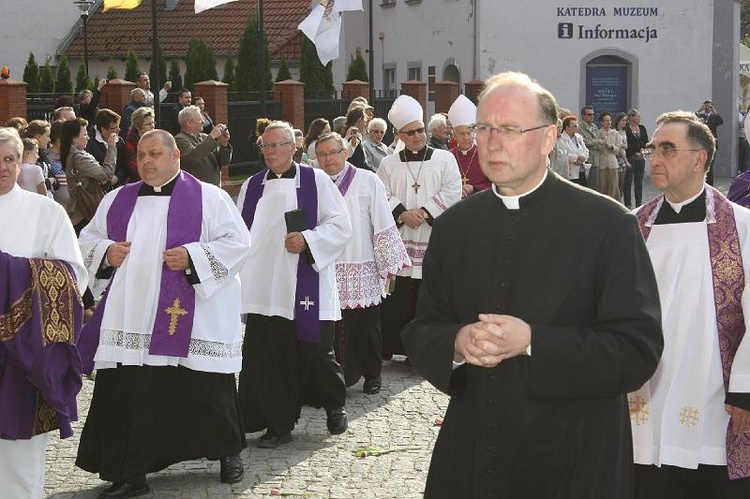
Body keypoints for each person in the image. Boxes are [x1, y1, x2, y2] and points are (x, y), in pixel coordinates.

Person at [400, 71, 663, 498]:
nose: (492, 142)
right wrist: (456, 341)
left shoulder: (608, 225)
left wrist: (532, 342)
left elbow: (637, 350)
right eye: (484, 129)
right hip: (476, 452)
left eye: (509, 129)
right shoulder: (455, 227)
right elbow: (422, 328)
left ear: (548, 138)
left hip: (575, 456)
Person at [75, 129, 251, 496]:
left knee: (205, 385)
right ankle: (131, 472)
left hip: (192, 314)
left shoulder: (210, 198)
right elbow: (86, 239)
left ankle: (227, 451)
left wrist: (193, 257)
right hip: (132, 314)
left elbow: (238, 244)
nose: (147, 162)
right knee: (132, 392)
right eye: (141, 155)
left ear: (176, 157)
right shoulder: (117, 199)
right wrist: (106, 251)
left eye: (155, 154)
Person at [630, 111, 750, 498]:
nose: (655, 159)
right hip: (643, 388)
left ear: (700, 159)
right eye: (653, 149)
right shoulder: (632, 226)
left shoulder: (742, 227)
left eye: (668, 149)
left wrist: (745, 391)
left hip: (715, 394)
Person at [236, 121, 352, 448]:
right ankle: (277, 424)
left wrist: (308, 239)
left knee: (315, 351)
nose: (270, 152)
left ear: (293, 147)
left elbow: (341, 226)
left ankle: (334, 402)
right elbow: (238, 233)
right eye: (265, 146)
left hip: (304, 284)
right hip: (264, 288)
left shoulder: (316, 181)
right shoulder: (252, 186)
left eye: (276, 145)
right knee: (269, 357)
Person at [0, 126, 86, 499]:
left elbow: (72, 275)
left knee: (18, 454)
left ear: (21, 163)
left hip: (24, 351)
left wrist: (9, 273)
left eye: (9, 159)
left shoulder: (46, 212)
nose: (2, 167)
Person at [315, 132, 411, 394]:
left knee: (366, 325)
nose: (328, 159)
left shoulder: (367, 180)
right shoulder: (314, 181)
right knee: (330, 326)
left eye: (333, 152)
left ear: (345, 152)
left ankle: (372, 374)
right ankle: (336, 376)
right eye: (322, 154)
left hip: (361, 261)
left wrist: (388, 263)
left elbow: (381, 219)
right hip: (326, 264)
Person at [376, 94, 462, 358]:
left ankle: (425, 350)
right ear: (400, 135)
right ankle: (397, 347)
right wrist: (402, 213)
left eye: (420, 130)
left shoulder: (444, 159)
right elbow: (380, 194)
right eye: (411, 132)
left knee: (428, 293)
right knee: (401, 295)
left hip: (431, 235)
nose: (417, 136)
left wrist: (424, 213)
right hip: (402, 235)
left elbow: (452, 190)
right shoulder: (388, 164)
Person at [61, 117, 117, 234]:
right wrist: (111, 147)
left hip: (79, 209)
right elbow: (106, 174)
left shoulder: (70, 154)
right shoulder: (80, 157)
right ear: (74, 139)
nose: (88, 137)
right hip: (85, 209)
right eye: (85, 134)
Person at [175, 105, 232, 186]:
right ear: (189, 123)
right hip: (195, 190)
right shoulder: (179, 140)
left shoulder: (205, 137)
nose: (203, 122)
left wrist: (224, 143)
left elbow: (224, 162)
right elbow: (193, 156)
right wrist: (212, 136)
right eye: (200, 119)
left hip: (214, 189)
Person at [447, 94, 491, 198]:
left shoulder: (485, 154)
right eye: (462, 134)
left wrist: (474, 188)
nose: (466, 137)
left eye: (469, 132)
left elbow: (495, 184)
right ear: (454, 135)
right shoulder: (448, 156)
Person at [86, 108, 129, 191]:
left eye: (118, 126)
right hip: (96, 191)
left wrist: (117, 178)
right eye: (114, 128)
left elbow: (125, 166)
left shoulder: (119, 141)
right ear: (103, 129)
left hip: (116, 188)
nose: (118, 130)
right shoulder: (89, 142)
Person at [624, 108, 649, 208]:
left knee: (639, 182)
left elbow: (646, 142)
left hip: (640, 159)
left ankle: (639, 204)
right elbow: (626, 144)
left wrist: (644, 154)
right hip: (630, 158)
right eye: (637, 116)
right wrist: (635, 152)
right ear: (631, 117)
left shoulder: (642, 128)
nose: (639, 118)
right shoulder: (626, 129)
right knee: (628, 182)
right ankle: (628, 203)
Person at [123, 106, 156, 183]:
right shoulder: (130, 143)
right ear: (138, 127)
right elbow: (135, 169)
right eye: (148, 124)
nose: (152, 126)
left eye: (153, 123)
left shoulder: (156, 139)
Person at [596, 111, 622, 201]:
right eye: (606, 120)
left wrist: (611, 146)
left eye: (610, 120)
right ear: (602, 122)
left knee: (614, 185)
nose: (608, 122)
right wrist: (601, 143)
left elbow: (618, 148)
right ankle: (602, 204)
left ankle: (614, 204)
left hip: (612, 163)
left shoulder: (615, 133)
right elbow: (596, 146)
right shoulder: (598, 132)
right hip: (602, 163)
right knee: (602, 185)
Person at [696, 100, 724, 186]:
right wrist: (699, 110)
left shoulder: (714, 116)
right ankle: (702, 183)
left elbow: (721, 121)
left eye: (709, 106)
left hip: (712, 142)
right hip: (702, 143)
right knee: (702, 163)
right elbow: (692, 118)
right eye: (706, 106)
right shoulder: (701, 116)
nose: (707, 108)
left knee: (710, 165)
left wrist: (714, 110)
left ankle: (710, 184)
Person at [561, 114, 589, 186]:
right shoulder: (562, 139)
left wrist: (582, 158)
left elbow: (586, 151)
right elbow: (564, 155)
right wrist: (577, 158)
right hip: (570, 172)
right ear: (567, 127)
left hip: (581, 170)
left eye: (577, 125)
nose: (577, 127)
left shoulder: (579, 137)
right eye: (574, 126)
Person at [578, 105, 602, 191]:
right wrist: (596, 142)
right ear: (583, 116)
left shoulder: (594, 127)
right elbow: (584, 142)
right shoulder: (579, 127)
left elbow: (601, 143)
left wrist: (594, 142)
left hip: (595, 159)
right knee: (585, 187)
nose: (592, 116)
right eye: (589, 114)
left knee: (594, 187)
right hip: (586, 161)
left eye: (593, 114)